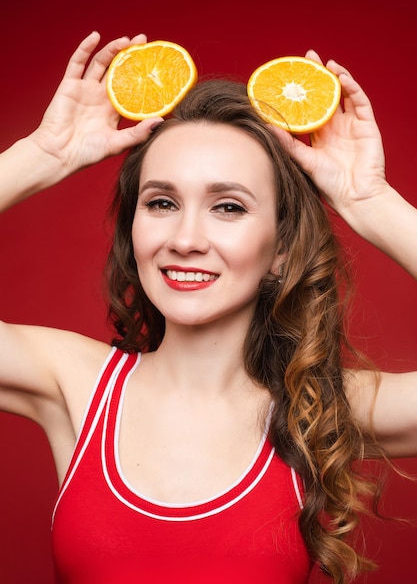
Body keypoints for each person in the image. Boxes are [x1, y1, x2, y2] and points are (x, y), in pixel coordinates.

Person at [0, 31, 416, 584]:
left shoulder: (319, 407)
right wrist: (41, 155)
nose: (185, 237)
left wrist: (372, 201)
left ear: (281, 250)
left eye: (227, 206)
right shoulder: (72, 385)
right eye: (162, 202)